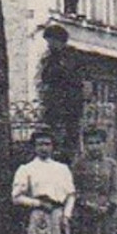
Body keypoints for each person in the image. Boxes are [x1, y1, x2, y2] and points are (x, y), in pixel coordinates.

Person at [38, 24, 85, 159]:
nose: (49, 44)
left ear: (59, 40)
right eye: (47, 41)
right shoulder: (49, 58)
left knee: (70, 135)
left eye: (51, 41)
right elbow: (45, 77)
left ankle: (69, 155)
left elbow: (73, 77)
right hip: (53, 103)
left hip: (69, 103)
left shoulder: (72, 56)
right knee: (53, 132)